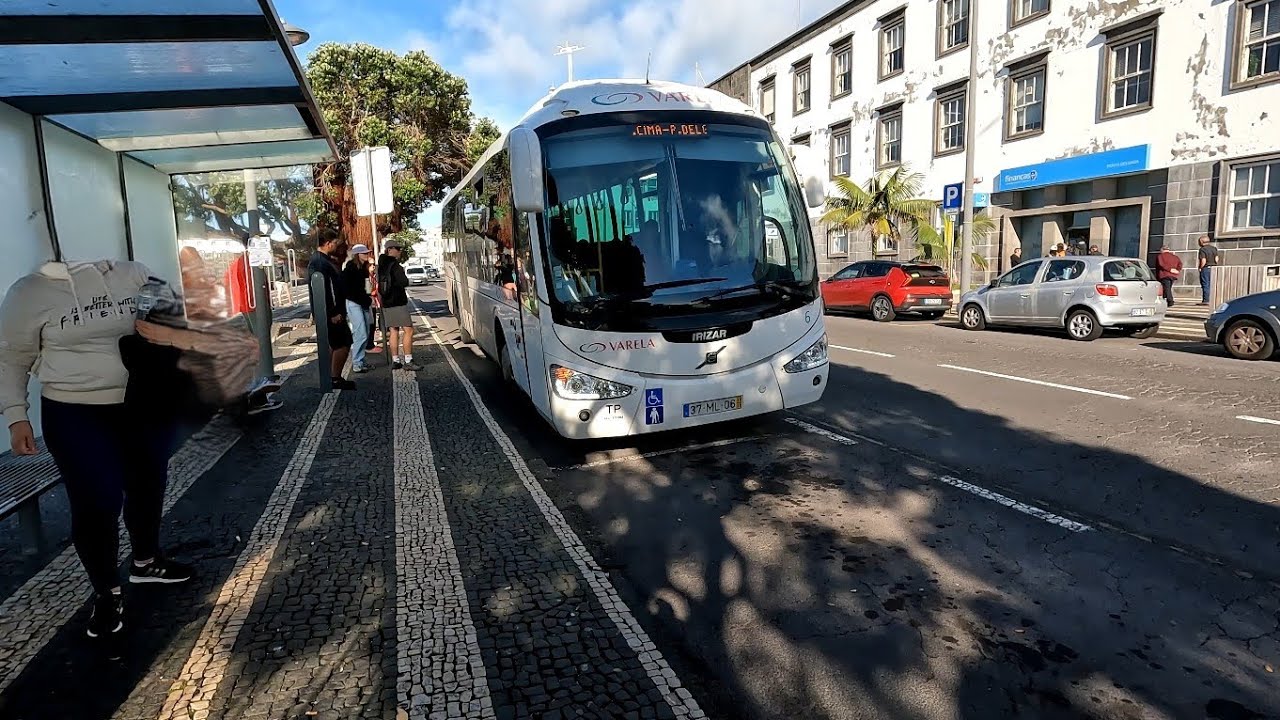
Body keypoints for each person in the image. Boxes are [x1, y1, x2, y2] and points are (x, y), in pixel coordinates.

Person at [0, 260, 194, 646]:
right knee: (97, 499)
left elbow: (174, 322)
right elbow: (11, 357)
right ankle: (107, 593)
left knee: (147, 481)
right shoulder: (29, 291)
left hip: (141, 402)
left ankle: (145, 561)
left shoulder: (135, 274)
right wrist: (16, 416)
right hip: (73, 411)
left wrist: (168, 330)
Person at [307, 229, 356, 390]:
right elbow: (328, 289)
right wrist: (333, 312)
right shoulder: (322, 263)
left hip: (327, 311)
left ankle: (329, 377)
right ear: (328, 243)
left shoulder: (319, 260)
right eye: (335, 243)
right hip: (332, 312)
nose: (336, 245)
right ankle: (334, 377)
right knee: (343, 342)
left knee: (333, 343)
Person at [378, 241, 419, 371]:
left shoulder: (381, 265)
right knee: (408, 330)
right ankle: (408, 360)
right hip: (397, 302)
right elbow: (403, 281)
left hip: (387, 302)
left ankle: (395, 360)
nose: (400, 251)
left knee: (393, 331)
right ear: (390, 250)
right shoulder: (394, 265)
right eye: (398, 248)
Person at [341, 244, 374, 374]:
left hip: (362, 302)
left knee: (364, 331)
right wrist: (365, 299)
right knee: (361, 332)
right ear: (357, 255)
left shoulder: (363, 269)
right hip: (354, 303)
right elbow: (349, 290)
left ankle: (360, 361)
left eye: (367, 253)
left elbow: (366, 287)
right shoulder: (351, 269)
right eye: (364, 253)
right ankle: (357, 363)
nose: (367, 255)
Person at [1197, 235, 1221, 306]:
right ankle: (1213, 299)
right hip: (1214, 268)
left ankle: (1206, 300)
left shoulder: (1202, 249)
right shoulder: (1214, 248)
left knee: (1205, 284)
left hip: (1206, 268)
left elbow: (1203, 260)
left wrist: (1200, 267)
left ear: (1201, 242)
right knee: (1212, 284)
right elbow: (1217, 259)